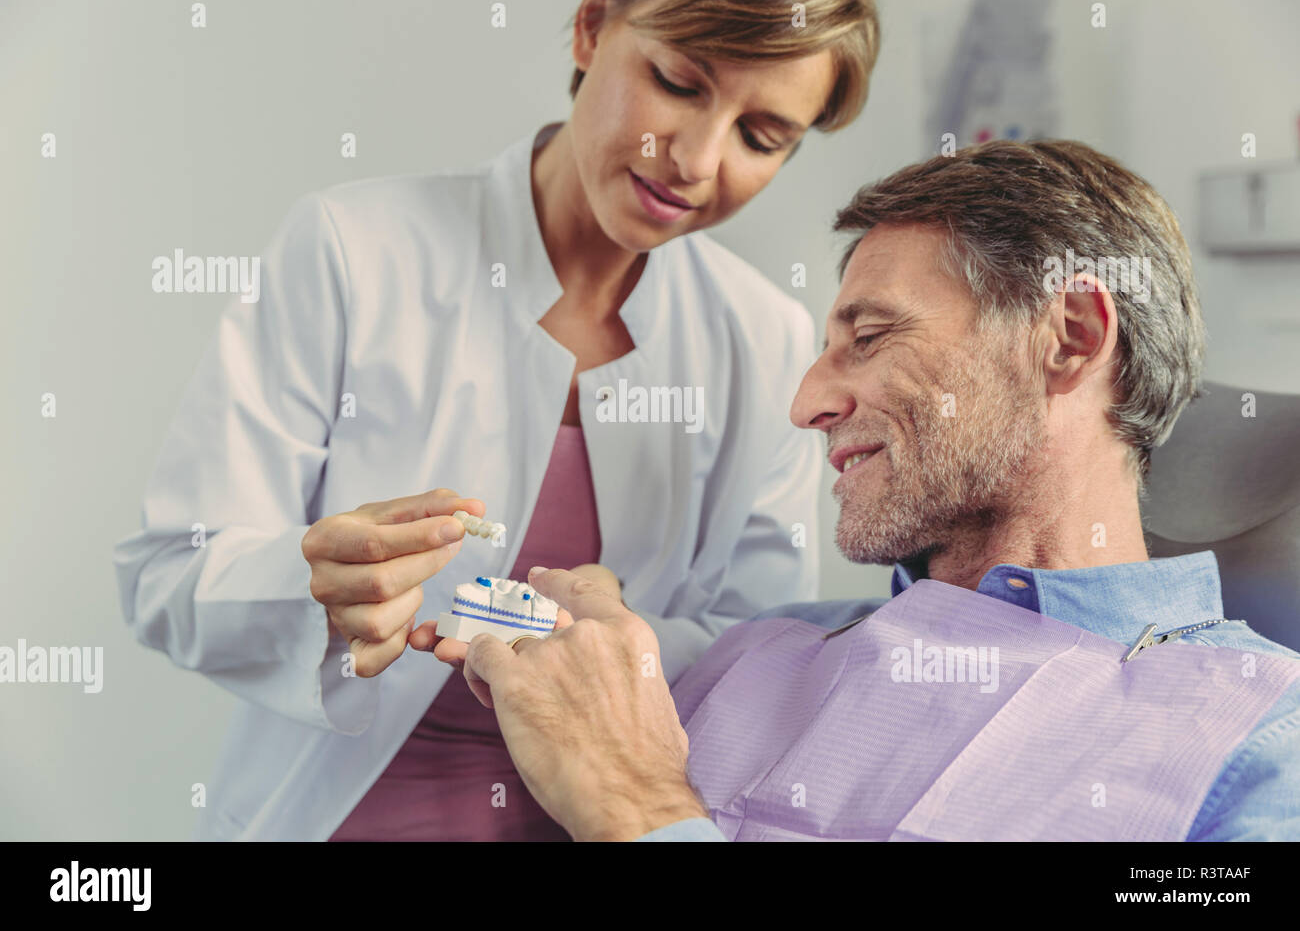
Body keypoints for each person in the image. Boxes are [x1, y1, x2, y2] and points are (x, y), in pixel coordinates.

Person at [111, 0, 881, 840]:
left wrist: (588, 638)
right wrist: (317, 593)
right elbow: (167, 575)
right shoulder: (353, 250)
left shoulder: (767, 340)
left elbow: (754, 657)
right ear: (593, 23)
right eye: (677, 82)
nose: (697, 161)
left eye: (760, 136)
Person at [432, 139, 1300, 841]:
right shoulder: (748, 658)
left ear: (1068, 337)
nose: (808, 404)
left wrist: (644, 813)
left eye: (872, 337)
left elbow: (631, 801)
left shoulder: (1262, 743)